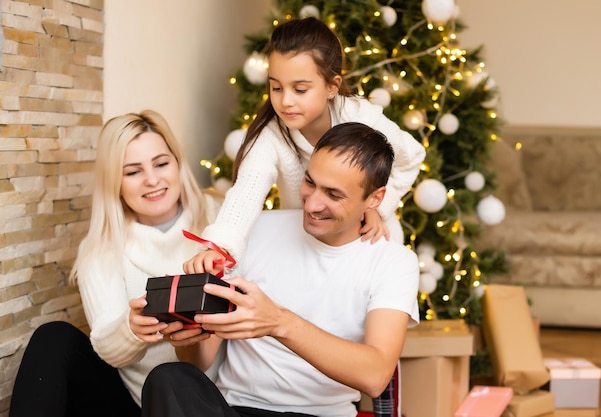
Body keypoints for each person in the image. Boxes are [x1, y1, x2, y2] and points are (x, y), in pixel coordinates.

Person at [142, 122, 420, 417]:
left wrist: (279, 322)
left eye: (333, 195)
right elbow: (200, 361)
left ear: (375, 199)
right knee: (168, 379)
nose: (312, 203)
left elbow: (375, 376)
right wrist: (187, 332)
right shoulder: (258, 228)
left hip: (321, 414)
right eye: (310, 182)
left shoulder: (393, 262)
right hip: (235, 409)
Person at [9, 110, 220, 417]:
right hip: (133, 402)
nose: (152, 179)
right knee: (53, 337)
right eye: (133, 172)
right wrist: (131, 328)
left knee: (174, 379)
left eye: (161, 163)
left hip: (201, 398)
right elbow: (107, 348)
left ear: (177, 163)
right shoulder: (102, 247)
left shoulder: (220, 223)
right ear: (115, 183)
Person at [184, 17, 425, 274]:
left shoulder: (362, 117)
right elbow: (246, 193)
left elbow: (410, 158)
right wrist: (218, 248)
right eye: (276, 87)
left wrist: (375, 208)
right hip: (309, 247)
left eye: (300, 89)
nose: (285, 101)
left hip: (368, 238)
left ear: (332, 86)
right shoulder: (269, 138)